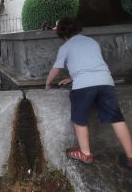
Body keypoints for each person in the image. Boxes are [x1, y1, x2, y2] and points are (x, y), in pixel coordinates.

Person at [45, 17, 132, 168]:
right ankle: (131, 155)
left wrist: (48, 83)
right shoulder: (92, 42)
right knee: (117, 119)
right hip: (106, 83)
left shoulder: (66, 46)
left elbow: (56, 69)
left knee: (80, 120)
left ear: (62, 34)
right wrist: (72, 77)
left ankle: (85, 153)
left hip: (84, 87)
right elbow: (91, 64)